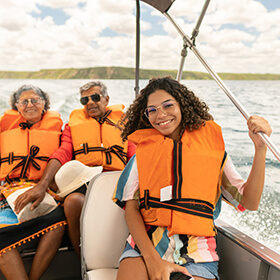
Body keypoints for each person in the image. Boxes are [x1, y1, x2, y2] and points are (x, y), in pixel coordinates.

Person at [113, 76, 272, 280]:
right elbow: (131, 210)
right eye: (152, 110)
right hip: (145, 248)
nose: (160, 114)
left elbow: (249, 202)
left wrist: (260, 149)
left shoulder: (214, 154)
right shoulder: (141, 156)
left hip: (198, 253)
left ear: (183, 106)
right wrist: (152, 260)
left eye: (168, 105)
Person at [14, 81, 136, 257]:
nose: (90, 102)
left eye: (95, 97)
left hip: (116, 180)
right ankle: (83, 258)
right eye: (84, 100)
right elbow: (62, 153)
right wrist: (42, 185)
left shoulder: (124, 124)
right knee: (72, 202)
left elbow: (133, 157)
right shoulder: (72, 127)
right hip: (84, 182)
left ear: (106, 99)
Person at [0, 85, 66, 280]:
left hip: (42, 191)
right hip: (8, 191)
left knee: (59, 224)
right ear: (16, 107)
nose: (30, 104)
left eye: (35, 100)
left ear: (44, 104)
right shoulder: (5, 133)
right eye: (24, 101)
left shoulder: (59, 133)